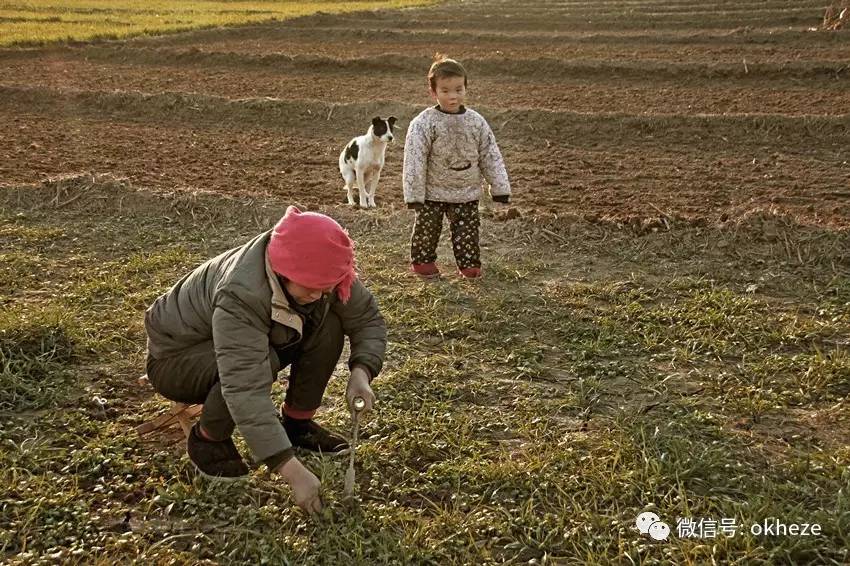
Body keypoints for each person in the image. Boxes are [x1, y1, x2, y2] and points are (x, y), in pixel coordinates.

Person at [143, 206, 386, 514]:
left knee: (330, 321)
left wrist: (361, 372)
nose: (319, 293)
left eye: (325, 287)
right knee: (261, 361)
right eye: (311, 288)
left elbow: (365, 318)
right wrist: (291, 471)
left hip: (234, 344)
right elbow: (245, 384)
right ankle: (208, 439)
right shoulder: (241, 292)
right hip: (175, 360)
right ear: (284, 273)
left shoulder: (319, 265)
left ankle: (297, 423)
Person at [402, 54, 512, 279]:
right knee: (426, 230)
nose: (453, 96)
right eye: (445, 90)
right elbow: (415, 160)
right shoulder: (423, 123)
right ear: (433, 92)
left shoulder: (476, 122)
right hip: (432, 193)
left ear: (465, 88)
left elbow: (490, 154)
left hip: (466, 193)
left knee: (467, 234)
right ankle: (423, 263)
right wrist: (414, 195)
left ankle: (469, 266)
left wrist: (500, 188)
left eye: (458, 89)